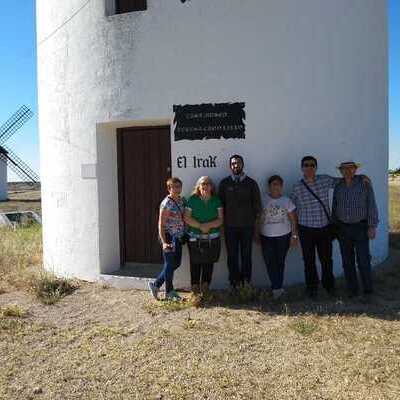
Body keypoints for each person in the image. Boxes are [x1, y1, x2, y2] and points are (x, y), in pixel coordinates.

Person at [291, 155, 340, 298]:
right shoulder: (297, 187)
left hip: (324, 228)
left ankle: (329, 286)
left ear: (316, 167)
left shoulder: (325, 179)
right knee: (309, 260)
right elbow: (292, 209)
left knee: (326, 259)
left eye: (312, 165)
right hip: (306, 229)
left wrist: (360, 178)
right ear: (301, 168)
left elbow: (343, 181)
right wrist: (294, 230)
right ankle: (312, 288)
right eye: (306, 165)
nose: (309, 167)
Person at [332, 161, 379, 299]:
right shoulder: (338, 185)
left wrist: (372, 226)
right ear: (340, 171)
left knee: (363, 260)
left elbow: (372, 205)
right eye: (344, 169)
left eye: (350, 168)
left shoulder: (364, 183)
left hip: (360, 227)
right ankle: (352, 290)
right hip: (342, 228)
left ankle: (368, 290)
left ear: (355, 169)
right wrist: (335, 225)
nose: (347, 171)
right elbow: (334, 206)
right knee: (347, 261)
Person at [218, 155, 261, 290]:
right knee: (232, 256)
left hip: (247, 227)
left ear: (243, 164)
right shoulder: (224, 183)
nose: (235, 165)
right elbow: (220, 206)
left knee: (246, 256)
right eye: (233, 163)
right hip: (230, 227)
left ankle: (246, 284)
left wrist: (256, 228)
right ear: (230, 166)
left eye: (238, 163)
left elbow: (257, 206)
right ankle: (234, 284)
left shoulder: (251, 183)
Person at [258, 175, 298, 299]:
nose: (275, 186)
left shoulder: (286, 201)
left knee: (280, 262)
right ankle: (277, 289)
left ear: (281, 186)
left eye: (278, 184)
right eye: (273, 184)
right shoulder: (263, 200)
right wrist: (256, 234)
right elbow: (258, 219)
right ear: (269, 186)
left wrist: (294, 234)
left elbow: (293, 219)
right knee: (269, 262)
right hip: (266, 236)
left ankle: (277, 289)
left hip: (283, 236)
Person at [185, 176, 223, 296]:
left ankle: (206, 287)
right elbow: (186, 218)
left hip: (212, 238)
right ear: (198, 187)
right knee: (195, 262)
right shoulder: (192, 199)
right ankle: (195, 289)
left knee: (208, 262)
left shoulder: (216, 200)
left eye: (208, 184)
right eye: (203, 184)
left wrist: (208, 225)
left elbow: (220, 219)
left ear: (211, 186)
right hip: (195, 238)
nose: (205, 186)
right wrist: (200, 226)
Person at [148, 177, 186, 301]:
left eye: (179, 186)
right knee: (170, 264)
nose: (177, 189)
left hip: (178, 237)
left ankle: (156, 284)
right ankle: (169, 291)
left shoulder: (181, 200)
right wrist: (164, 242)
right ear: (169, 188)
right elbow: (161, 224)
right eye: (174, 187)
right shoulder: (166, 203)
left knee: (175, 263)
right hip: (168, 236)